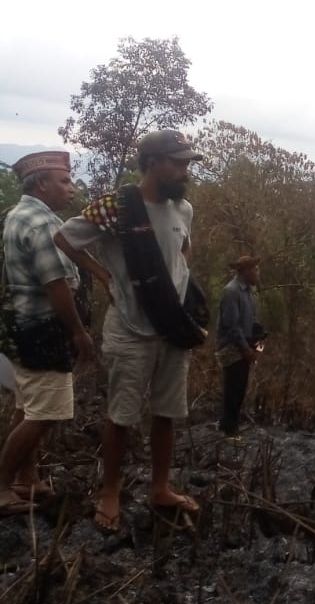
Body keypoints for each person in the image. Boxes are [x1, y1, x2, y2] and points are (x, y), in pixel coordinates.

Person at [55, 128, 205, 532]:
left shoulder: (183, 208)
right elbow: (65, 238)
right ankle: (110, 492)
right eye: (178, 162)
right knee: (122, 415)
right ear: (154, 162)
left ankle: (160, 488)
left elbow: (183, 250)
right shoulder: (115, 207)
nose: (185, 169)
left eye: (187, 162)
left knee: (166, 413)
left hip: (171, 327)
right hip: (130, 329)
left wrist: (179, 277)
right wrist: (103, 274)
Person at [0, 151, 94, 514]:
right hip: (43, 332)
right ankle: (4, 486)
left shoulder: (18, 214)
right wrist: (78, 332)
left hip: (22, 329)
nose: (71, 188)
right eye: (64, 181)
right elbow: (56, 284)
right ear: (41, 184)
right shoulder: (40, 223)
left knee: (30, 406)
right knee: (47, 413)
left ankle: (27, 479)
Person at [216, 254, 264, 438]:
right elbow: (231, 326)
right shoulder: (231, 291)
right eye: (256, 270)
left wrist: (258, 337)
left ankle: (230, 426)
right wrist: (246, 349)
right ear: (246, 271)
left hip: (244, 346)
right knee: (233, 389)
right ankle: (229, 430)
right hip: (232, 348)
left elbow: (249, 321)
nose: (258, 273)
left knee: (240, 388)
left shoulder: (248, 292)